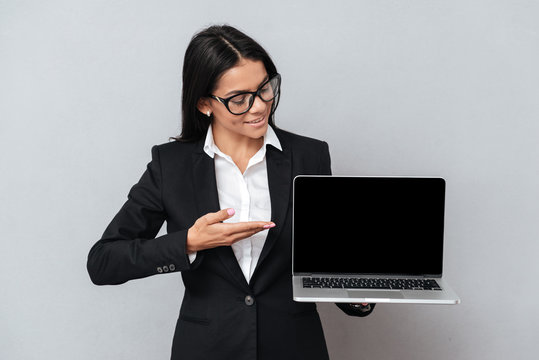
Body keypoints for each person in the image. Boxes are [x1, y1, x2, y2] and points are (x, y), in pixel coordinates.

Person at [87, 24, 374, 360]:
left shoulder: (310, 155)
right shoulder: (171, 166)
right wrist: (190, 242)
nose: (258, 106)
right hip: (208, 348)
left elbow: (325, 255)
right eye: (239, 99)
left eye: (265, 88)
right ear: (205, 104)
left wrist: (358, 293)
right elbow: (103, 262)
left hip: (295, 346)